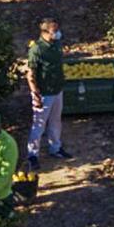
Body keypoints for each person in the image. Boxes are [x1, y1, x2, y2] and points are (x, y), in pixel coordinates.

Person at [26, 17, 72, 170]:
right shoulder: (37, 49)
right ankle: (33, 155)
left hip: (57, 89)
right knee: (38, 125)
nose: (57, 33)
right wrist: (35, 94)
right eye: (54, 31)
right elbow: (30, 74)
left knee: (55, 121)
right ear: (45, 32)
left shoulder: (57, 43)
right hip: (44, 93)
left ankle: (56, 148)